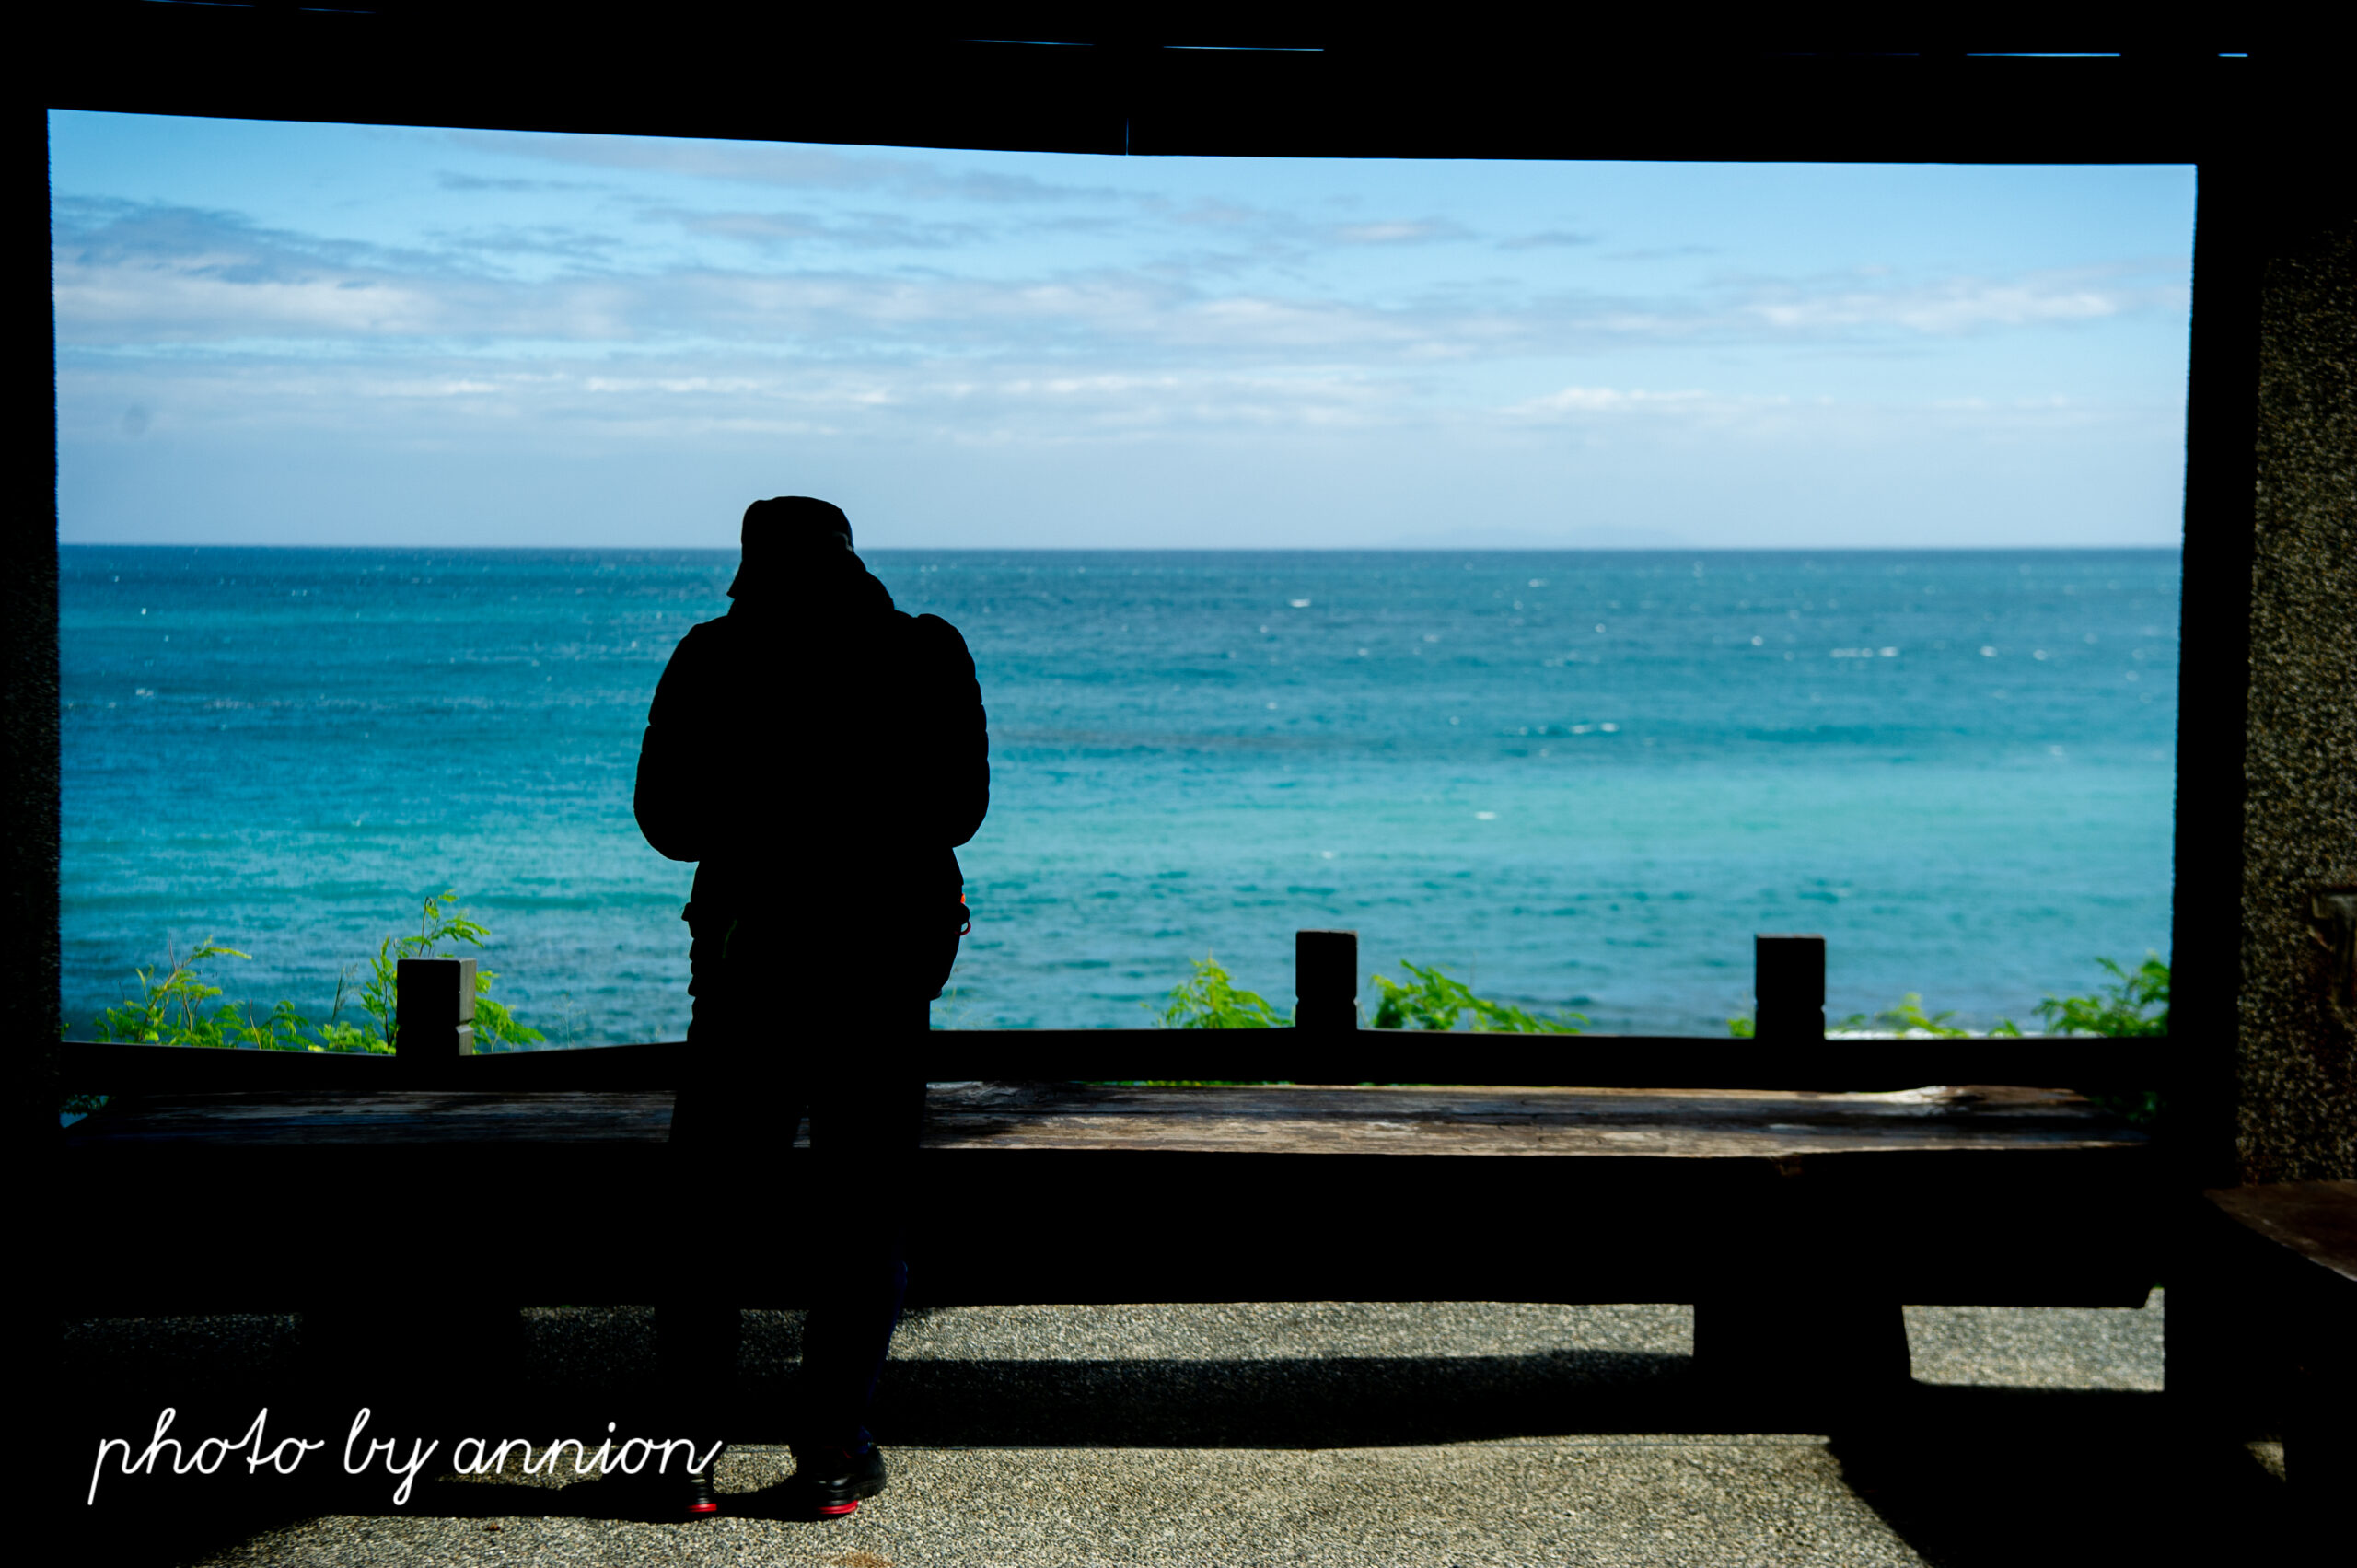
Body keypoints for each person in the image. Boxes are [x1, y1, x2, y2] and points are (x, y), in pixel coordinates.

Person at [633, 496, 988, 1519]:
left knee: (708, 1212)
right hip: (881, 968)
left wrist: (763, 800)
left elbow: (667, 822)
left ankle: (682, 1451)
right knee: (862, 1209)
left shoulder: (711, 655)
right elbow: (960, 808)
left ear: (749, 568)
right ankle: (833, 1446)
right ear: (852, 559)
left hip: (750, 964)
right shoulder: (926, 650)